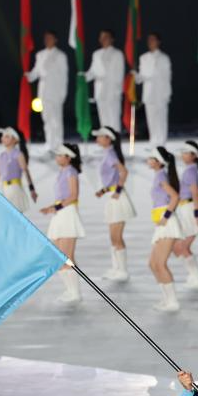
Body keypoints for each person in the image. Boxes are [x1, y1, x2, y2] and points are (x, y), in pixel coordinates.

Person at [40, 143, 85, 304]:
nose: (57, 158)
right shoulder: (63, 171)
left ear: (68, 157)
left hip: (67, 214)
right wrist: (51, 207)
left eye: (60, 155)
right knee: (59, 257)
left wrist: (55, 207)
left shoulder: (71, 171)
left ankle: (75, 292)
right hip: (61, 213)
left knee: (66, 257)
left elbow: (73, 195)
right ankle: (70, 290)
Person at [92, 126, 134, 282]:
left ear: (109, 139)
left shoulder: (111, 155)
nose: (97, 139)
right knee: (112, 237)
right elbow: (113, 177)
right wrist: (103, 190)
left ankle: (123, 270)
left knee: (116, 237)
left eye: (100, 136)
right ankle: (116, 268)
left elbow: (124, 172)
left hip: (117, 197)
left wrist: (118, 190)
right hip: (111, 195)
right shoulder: (107, 154)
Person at [147, 146, 184, 312]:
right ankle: (166, 298)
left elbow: (175, 197)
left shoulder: (161, 176)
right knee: (153, 263)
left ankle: (173, 301)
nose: (148, 160)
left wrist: (166, 216)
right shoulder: (158, 175)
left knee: (160, 263)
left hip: (167, 224)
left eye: (151, 158)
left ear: (158, 162)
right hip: (162, 223)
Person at [25, 31, 68, 153]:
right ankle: (49, 142)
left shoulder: (61, 56)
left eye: (50, 38)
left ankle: (58, 143)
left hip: (56, 91)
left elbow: (64, 76)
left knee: (56, 119)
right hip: (43, 92)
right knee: (46, 118)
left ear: (55, 40)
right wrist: (28, 76)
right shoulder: (40, 55)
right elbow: (36, 72)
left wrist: (63, 94)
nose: (47, 40)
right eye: (46, 38)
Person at [173, 141, 198, 290]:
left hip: (190, 209)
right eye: (183, 152)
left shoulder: (191, 171)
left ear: (194, 156)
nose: (183, 155)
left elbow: (195, 192)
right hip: (184, 208)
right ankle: (194, 275)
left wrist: (197, 214)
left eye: (186, 153)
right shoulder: (190, 169)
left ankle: (196, 276)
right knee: (180, 247)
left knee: (182, 246)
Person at [134, 32, 172, 146]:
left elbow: (165, 76)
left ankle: (161, 142)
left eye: (153, 40)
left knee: (161, 118)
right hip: (149, 92)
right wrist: (135, 76)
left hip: (161, 92)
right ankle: (153, 141)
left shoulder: (164, 58)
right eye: (149, 40)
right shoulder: (143, 58)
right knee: (151, 118)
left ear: (158, 42)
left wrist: (167, 93)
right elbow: (141, 77)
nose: (150, 42)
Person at [84, 29, 124, 131]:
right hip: (100, 91)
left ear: (112, 39)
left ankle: (115, 139)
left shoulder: (117, 54)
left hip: (112, 91)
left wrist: (117, 91)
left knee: (113, 118)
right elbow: (92, 71)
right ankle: (106, 138)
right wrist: (83, 77)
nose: (103, 39)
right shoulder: (96, 54)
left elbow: (119, 74)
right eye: (101, 37)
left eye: (106, 37)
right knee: (103, 118)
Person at [0, 126, 35, 213]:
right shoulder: (2, 155)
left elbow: (26, 171)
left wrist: (32, 189)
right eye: (3, 136)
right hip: (4, 189)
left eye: (7, 136)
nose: (3, 138)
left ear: (15, 139)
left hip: (15, 188)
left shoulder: (18, 154)